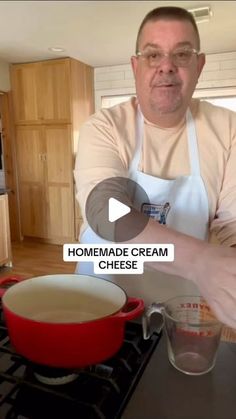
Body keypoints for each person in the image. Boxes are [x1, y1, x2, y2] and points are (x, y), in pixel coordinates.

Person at [74, 6, 236, 329]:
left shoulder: (227, 129)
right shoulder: (105, 126)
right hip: (99, 307)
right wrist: (199, 261)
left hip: (180, 319)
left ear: (199, 65)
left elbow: (233, 229)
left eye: (182, 54)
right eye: (152, 55)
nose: (166, 67)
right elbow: (104, 208)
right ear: (135, 66)